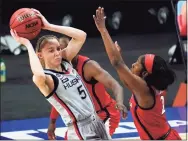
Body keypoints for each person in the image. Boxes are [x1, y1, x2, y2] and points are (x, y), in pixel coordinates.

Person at [10, 9, 111, 140]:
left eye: (58, 48)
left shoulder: (66, 62)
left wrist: (48, 26)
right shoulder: (47, 78)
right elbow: (38, 75)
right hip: (80, 129)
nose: (57, 53)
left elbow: (81, 36)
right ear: (40, 55)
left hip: (96, 120)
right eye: (51, 50)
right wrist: (28, 45)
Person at [93, 7, 182, 140]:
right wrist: (118, 55)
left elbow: (117, 63)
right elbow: (126, 78)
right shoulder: (147, 86)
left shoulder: (144, 89)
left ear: (145, 73)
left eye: (137, 63)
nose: (133, 64)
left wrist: (103, 30)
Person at [47, 36, 127, 140]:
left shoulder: (88, 66)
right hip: (83, 120)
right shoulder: (60, 70)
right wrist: (52, 122)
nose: (59, 53)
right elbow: (61, 98)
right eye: (58, 50)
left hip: (104, 114)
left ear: (73, 49)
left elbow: (115, 85)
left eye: (63, 49)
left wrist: (120, 102)